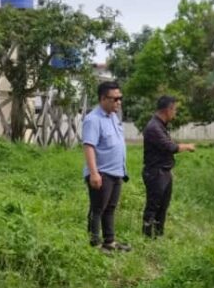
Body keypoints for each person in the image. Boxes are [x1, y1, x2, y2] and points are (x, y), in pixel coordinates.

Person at [82, 81, 131, 253]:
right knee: (97, 209)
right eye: (115, 99)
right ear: (103, 98)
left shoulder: (113, 117)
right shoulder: (93, 119)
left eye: (120, 98)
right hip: (101, 173)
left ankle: (109, 242)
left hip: (116, 172)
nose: (119, 102)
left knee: (110, 208)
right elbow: (89, 147)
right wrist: (94, 173)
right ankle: (94, 244)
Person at [141, 96, 195, 237]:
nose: (175, 113)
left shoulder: (161, 126)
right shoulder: (154, 127)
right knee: (153, 206)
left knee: (163, 207)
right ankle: (147, 238)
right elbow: (169, 147)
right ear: (167, 109)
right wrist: (187, 146)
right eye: (174, 109)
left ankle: (158, 236)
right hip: (155, 173)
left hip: (164, 172)